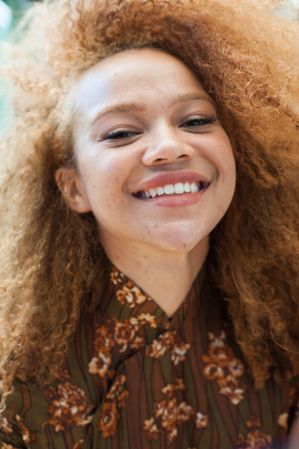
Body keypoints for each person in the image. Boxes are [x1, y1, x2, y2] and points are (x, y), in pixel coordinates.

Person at [0, 0, 298, 448]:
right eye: (121, 132)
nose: (169, 146)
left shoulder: (284, 319)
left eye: (196, 120)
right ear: (73, 188)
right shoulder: (14, 378)